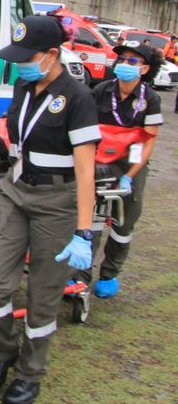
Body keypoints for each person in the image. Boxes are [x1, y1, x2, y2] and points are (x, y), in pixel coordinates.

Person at [0, 15, 99, 404]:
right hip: (16, 191)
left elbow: (85, 169)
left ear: (51, 54)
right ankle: (3, 351)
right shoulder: (23, 86)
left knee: (42, 297)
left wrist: (83, 231)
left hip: (57, 203)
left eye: (28, 57)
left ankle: (30, 373)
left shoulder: (78, 98)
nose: (21, 64)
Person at [81, 44, 163, 297]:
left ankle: (110, 274)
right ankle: (79, 277)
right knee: (88, 218)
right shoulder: (101, 90)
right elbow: (84, 127)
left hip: (130, 163)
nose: (125, 64)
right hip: (98, 160)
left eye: (133, 61)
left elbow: (149, 140)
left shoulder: (150, 99)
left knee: (125, 220)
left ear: (145, 69)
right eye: (122, 59)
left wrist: (130, 175)